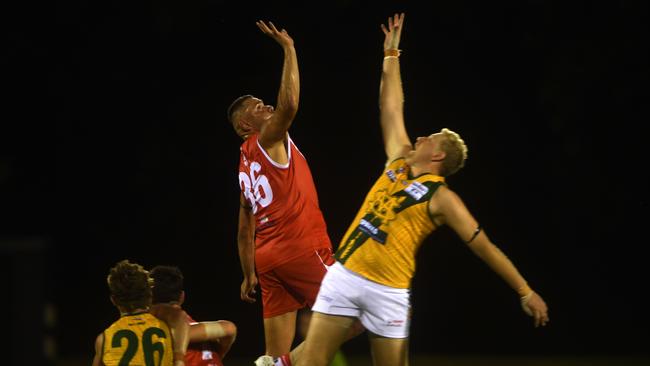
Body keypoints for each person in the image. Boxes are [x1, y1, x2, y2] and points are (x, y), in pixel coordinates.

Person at [294, 13, 550, 366]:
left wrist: (525, 290)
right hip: (346, 275)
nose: (420, 136)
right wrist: (391, 55)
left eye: (431, 137)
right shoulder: (398, 160)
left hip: (389, 291)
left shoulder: (442, 197)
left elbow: (485, 248)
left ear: (439, 155)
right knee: (310, 362)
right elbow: (390, 106)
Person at [227, 19, 354, 362]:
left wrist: (248, 271)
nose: (266, 106)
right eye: (257, 107)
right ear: (245, 126)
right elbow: (290, 104)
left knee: (272, 351)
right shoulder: (266, 139)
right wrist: (289, 49)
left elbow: (243, 227)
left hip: (268, 258)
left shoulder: (244, 163)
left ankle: (275, 362)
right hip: (299, 246)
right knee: (364, 309)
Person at [92, 259, 190, 366]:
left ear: (113, 300)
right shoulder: (166, 326)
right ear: (150, 295)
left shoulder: (104, 339)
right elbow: (180, 316)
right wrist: (179, 360)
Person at [150, 265, 238, 366]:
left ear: (149, 298)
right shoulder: (204, 331)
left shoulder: (153, 331)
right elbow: (230, 328)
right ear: (182, 297)